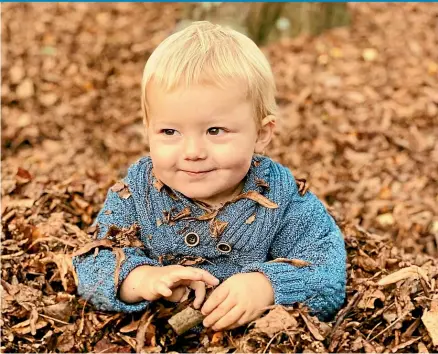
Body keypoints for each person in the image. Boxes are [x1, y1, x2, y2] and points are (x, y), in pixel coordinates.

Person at [73, 21, 346, 331]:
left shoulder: (283, 198)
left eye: (215, 131)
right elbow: (92, 260)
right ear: (148, 128)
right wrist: (140, 279)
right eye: (170, 131)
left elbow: (328, 269)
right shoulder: (136, 192)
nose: (193, 151)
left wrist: (266, 287)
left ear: (261, 133)